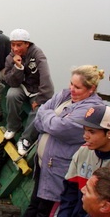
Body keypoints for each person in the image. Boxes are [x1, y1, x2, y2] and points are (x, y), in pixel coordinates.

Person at [22, 65, 105, 217]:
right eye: (71, 84)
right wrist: (49, 119)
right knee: (34, 205)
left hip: (57, 169)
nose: (72, 89)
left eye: (77, 87)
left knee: (44, 210)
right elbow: (39, 118)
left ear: (91, 89)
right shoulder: (65, 95)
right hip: (43, 164)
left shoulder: (90, 110)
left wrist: (48, 117)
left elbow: (58, 127)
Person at [3, 28, 54, 157]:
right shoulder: (10, 57)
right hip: (22, 87)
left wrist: (40, 99)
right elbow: (11, 81)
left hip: (37, 91)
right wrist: (18, 67)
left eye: (19, 45)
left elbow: (45, 78)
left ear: (27, 44)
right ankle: (13, 126)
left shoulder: (37, 54)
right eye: (13, 44)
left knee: (40, 110)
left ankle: (26, 139)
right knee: (11, 94)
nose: (15, 48)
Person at [58, 104, 110, 217]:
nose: (85, 136)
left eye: (92, 132)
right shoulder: (83, 151)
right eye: (85, 130)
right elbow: (69, 193)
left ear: (109, 133)